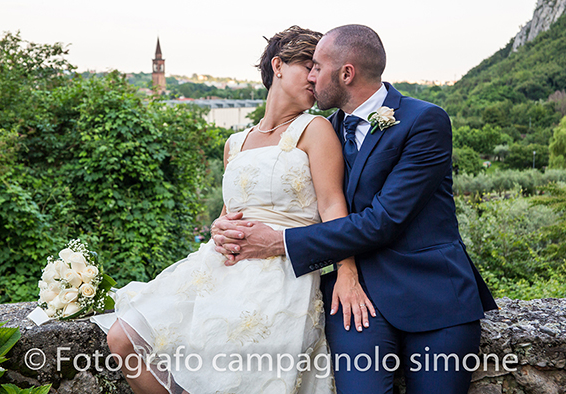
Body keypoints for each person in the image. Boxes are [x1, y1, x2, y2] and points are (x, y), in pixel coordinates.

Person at [213, 24, 498, 394]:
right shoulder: (321, 132)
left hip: (433, 295)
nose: (312, 76)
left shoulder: (424, 121)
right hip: (356, 300)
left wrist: (279, 242)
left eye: (317, 67)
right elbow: (293, 201)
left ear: (346, 73)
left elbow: (384, 221)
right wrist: (226, 225)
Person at [92, 26, 374, 394]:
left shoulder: (315, 129)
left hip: (280, 278)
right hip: (219, 268)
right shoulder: (235, 143)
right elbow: (232, 210)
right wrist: (217, 227)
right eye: (308, 65)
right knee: (122, 339)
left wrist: (347, 271)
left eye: (319, 69)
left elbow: (333, 205)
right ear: (277, 65)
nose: (315, 77)